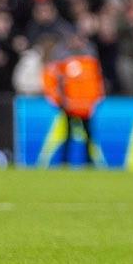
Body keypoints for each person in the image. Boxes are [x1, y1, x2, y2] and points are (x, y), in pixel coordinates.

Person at [42, 33, 106, 166]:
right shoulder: (63, 59)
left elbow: (96, 81)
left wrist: (97, 98)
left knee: (88, 134)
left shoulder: (90, 59)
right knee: (68, 134)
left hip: (85, 106)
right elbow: (57, 81)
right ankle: (65, 161)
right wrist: (61, 100)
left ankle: (88, 161)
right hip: (70, 105)